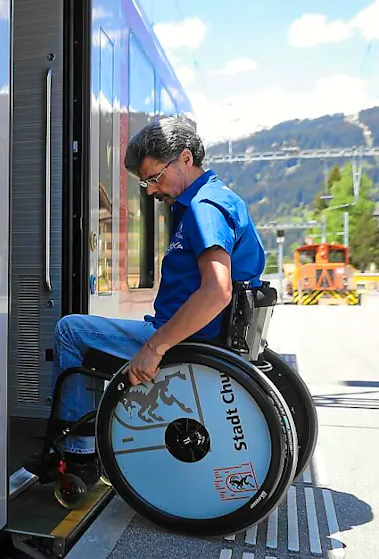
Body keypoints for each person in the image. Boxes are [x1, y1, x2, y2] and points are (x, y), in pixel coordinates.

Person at [44, 117, 266, 485]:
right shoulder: (214, 199)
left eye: (155, 178)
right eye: (145, 183)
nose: (150, 191)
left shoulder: (204, 208)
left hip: (189, 342)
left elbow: (217, 290)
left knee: (70, 330)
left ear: (185, 159)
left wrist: (154, 348)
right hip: (201, 336)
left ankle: (79, 455)